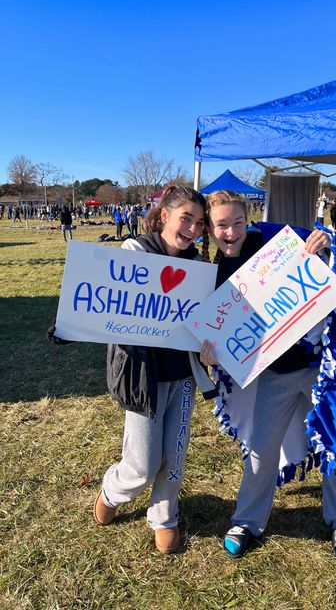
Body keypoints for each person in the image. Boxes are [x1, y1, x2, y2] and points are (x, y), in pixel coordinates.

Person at [199, 190, 336, 562]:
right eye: (222, 225)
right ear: (209, 230)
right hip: (273, 376)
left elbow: (325, 258)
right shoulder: (211, 273)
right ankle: (247, 520)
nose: (231, 232)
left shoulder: (275, 241)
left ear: (250, 220)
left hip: (320, 370)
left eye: (238, 223)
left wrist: (324, 243)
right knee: (260, 450)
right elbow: (216, 331)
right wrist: (210, 354)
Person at [49, 185, 218, 554]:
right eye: (185, 218)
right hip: (143, 375)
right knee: (142, 464)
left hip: (184, 377)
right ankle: (113, 489)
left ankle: (165, 516)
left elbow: (210, 323)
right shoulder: (136, 253)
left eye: (199, 223)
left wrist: (212, 350)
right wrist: (72, 327)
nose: (192, 229)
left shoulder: (201, 268)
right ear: (164, 217)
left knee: (174, 458)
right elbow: (108, 301)